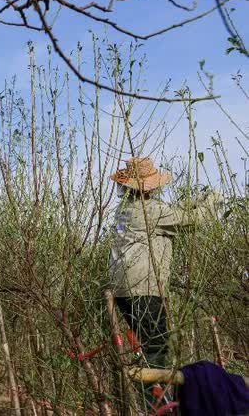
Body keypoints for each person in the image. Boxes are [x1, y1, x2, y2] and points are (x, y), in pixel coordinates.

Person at [109, 157, 220, 406]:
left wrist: (194, 201)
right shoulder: (150, 211)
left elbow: (173, 212)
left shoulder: (126, 210)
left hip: (123, 289)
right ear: (148, 187)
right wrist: (213, 199)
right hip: (143, 288)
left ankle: (155, 398)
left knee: (147, 344)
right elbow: (193, 220)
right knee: (157, 346)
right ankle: (155, 404)